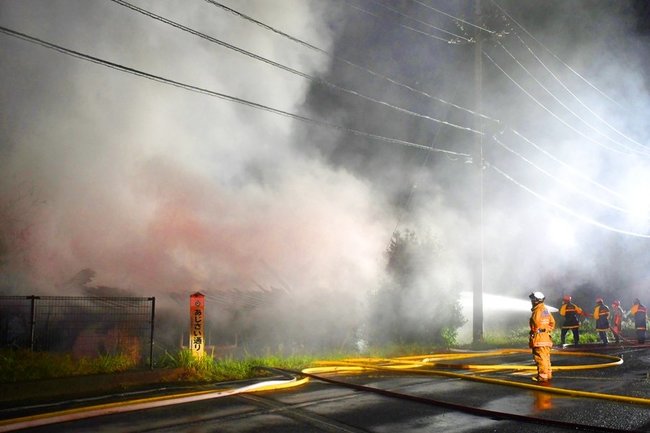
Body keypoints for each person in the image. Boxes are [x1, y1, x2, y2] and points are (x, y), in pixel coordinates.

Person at [529, 291, 556, 383]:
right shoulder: (545, 310)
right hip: (546, 337)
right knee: (546, 358)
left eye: (533, 299)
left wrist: (535, 331)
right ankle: (548, 375)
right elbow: (552, 322)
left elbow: (536, 323)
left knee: (540, 358)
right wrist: (546, 330)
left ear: (536, 300)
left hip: (539, 338)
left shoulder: (537, 310)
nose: (531, 301)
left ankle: (542, 377)